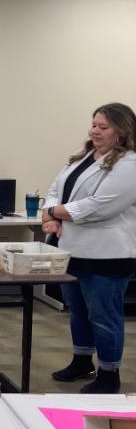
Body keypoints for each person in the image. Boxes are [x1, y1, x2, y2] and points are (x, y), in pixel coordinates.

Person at [44, 102, 136, 394]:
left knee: (104, 316)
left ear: (121, 131)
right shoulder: (84, 157)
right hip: (73, 249)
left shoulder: (129, 164)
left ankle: (109, 374)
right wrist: (49, 214)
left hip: (107, 253)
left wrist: (55, 212)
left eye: (103, 127)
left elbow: (100, 207)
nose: (94, 131)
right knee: (78, 311)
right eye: (94, 125)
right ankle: (82, 360)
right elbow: (54, 190)